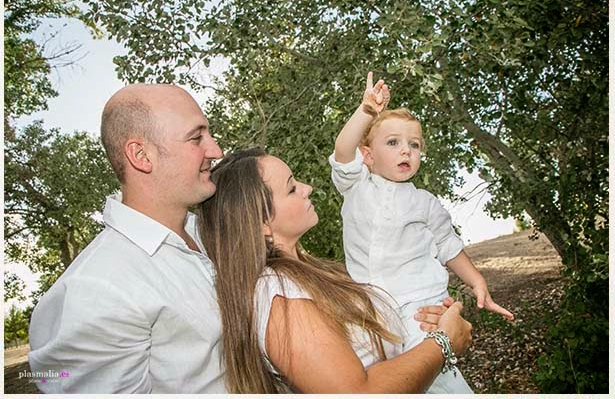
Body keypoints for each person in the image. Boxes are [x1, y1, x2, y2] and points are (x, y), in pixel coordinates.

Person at [198, 146, 473, 393]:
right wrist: (443, 343)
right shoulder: (278, 294)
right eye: (292, 188)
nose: (307, 188)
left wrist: (424, 323)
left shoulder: (309, 274)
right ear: (261, 223)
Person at [27, 84, 226, 393]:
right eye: (196, 137)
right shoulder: (96, 291)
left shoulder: (209, 232)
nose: (216, 151)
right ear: (141, 155)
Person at [329, 72, 515, 393]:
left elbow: (449, 246)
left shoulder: (424, 202)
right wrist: (367, 111)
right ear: (368, 156)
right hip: (367, 311)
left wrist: (477, 282)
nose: (406, 151)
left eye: (413, 145)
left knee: (438, 382)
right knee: (362, 380)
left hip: (420, 308)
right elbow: (343, 149)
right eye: (393, 142)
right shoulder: (356, 186)